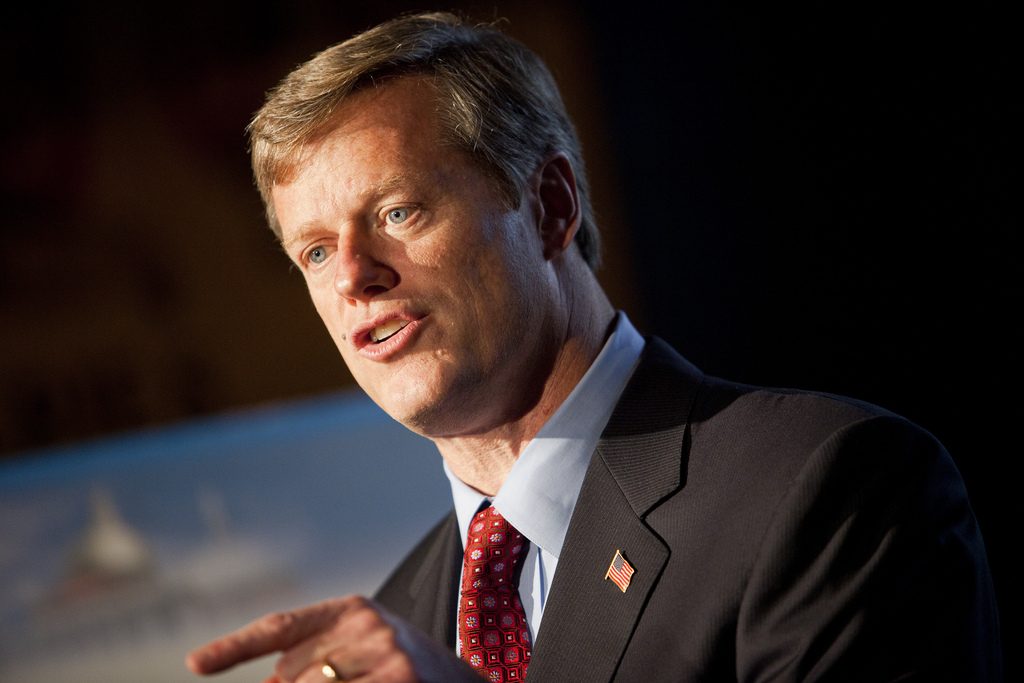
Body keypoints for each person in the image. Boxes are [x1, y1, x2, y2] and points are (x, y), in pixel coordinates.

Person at [186, 12, 1001, 683]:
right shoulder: (400, 617)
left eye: (398, 212)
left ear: (550, 205)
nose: (354, 277)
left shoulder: (823, 487)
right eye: (316, 252)